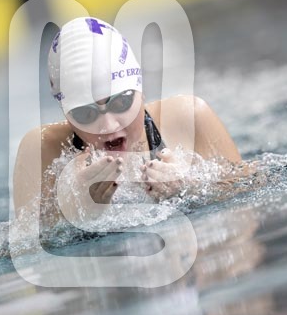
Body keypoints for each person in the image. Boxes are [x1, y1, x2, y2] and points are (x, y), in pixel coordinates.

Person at [13, 17, 242, 223]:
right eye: (86, 114)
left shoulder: (190, 117)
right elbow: (26, 245)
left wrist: (189, 188)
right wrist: (74, 211)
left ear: (141, 90)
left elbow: (247, 195)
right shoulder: (41, 150)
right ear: (66, 114)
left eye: (121, 103)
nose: (109, 126)